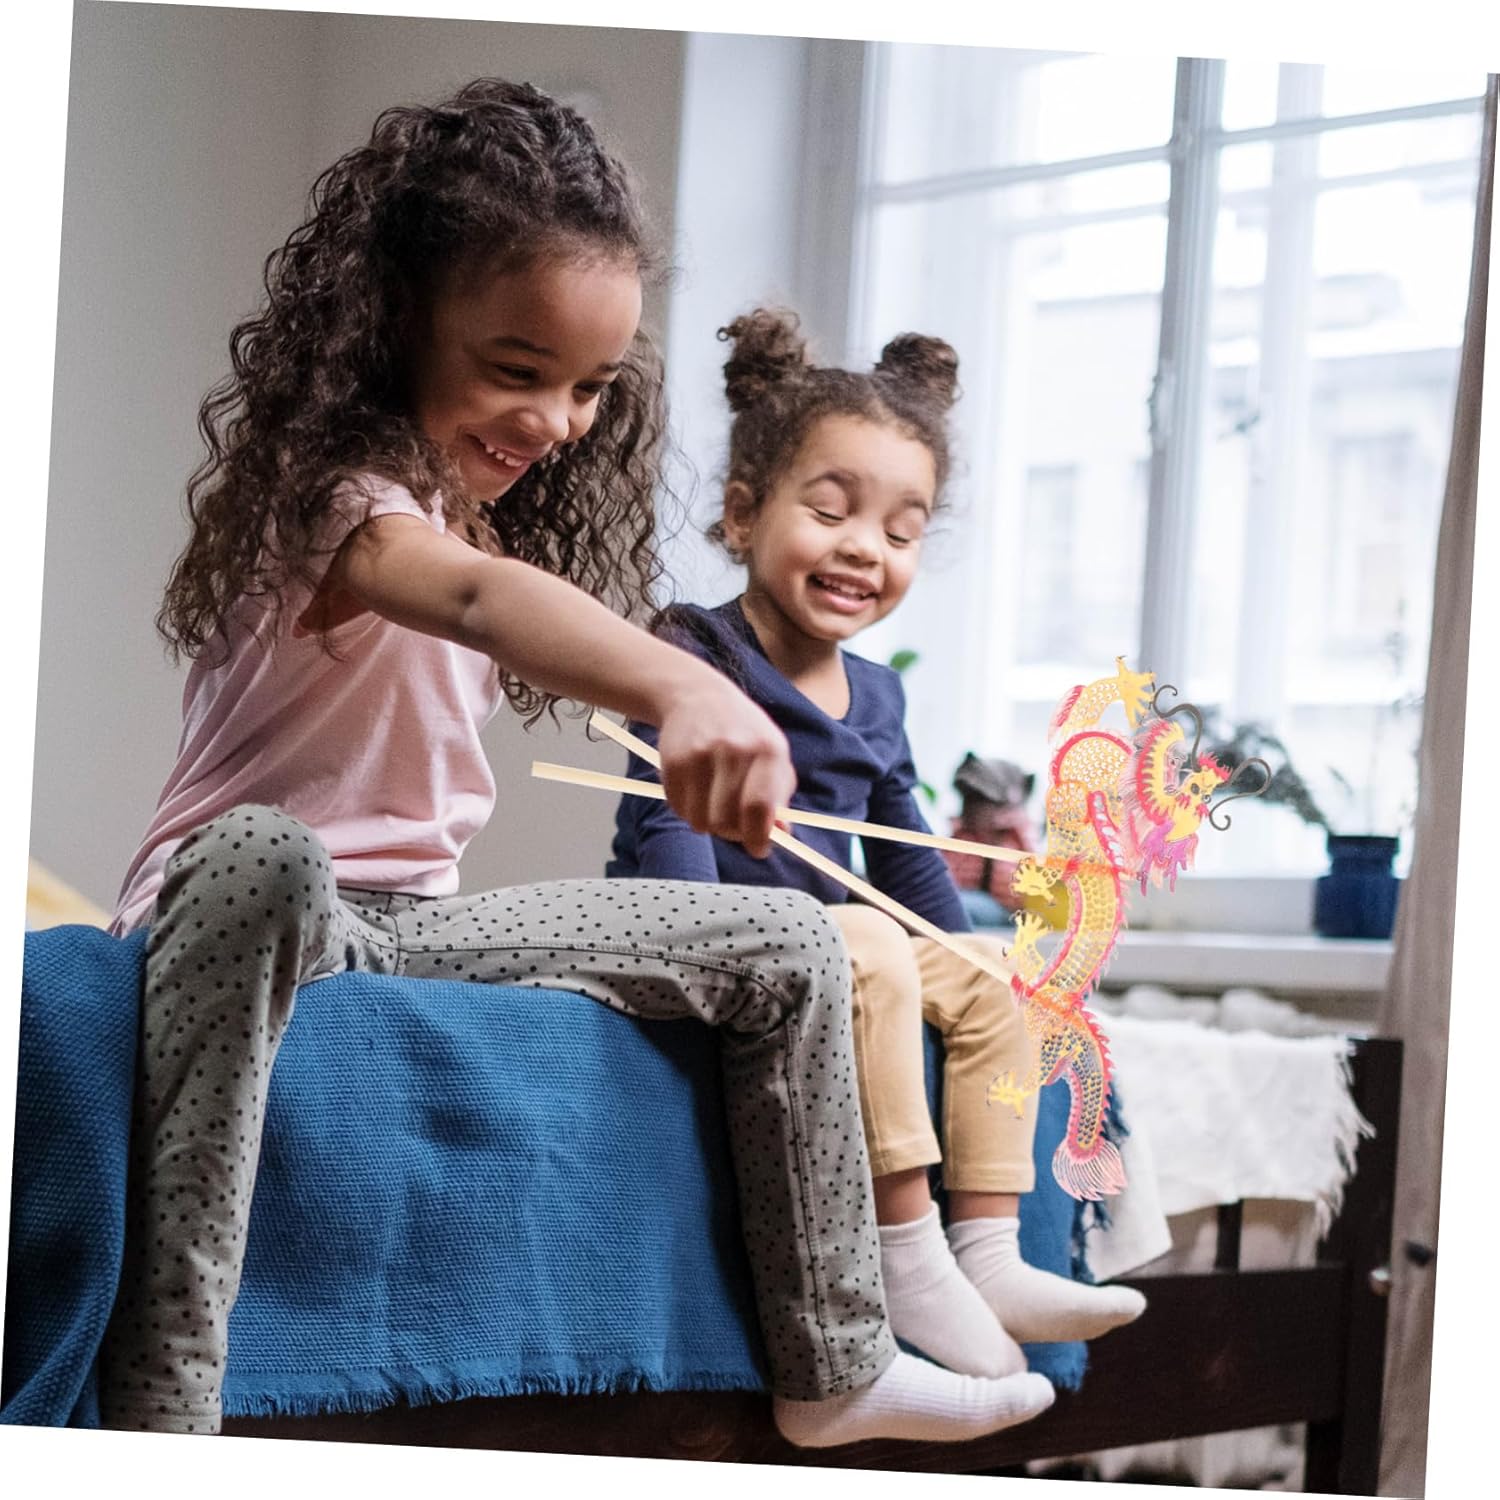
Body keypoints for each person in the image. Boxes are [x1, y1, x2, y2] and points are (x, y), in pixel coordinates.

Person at [97, 81, 1058, 1449]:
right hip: (253, 915)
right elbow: (474, 601)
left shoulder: (470, 518)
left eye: (591, 387)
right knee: (266, 847)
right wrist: (688, 684)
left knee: (795, 939)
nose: (555, 419)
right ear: (397, 319)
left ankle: (836, 1362)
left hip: (411, 931)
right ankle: (165, 1407)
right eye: (518, 369)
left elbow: (489, 585)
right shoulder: (337, 497)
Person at [609, 308, 1147, 1379]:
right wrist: (704, 953)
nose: (866, 547)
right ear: (742, 514)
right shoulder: (691, 650)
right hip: (706, 930)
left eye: (902, 533)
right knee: (866, 945)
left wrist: (962, 962)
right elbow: (666, 819)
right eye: (830, 512)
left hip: (832, 937)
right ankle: (906, 1254)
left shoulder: (879, 694)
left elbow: (900, 849)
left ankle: (987, 1249)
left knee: (989, 972)